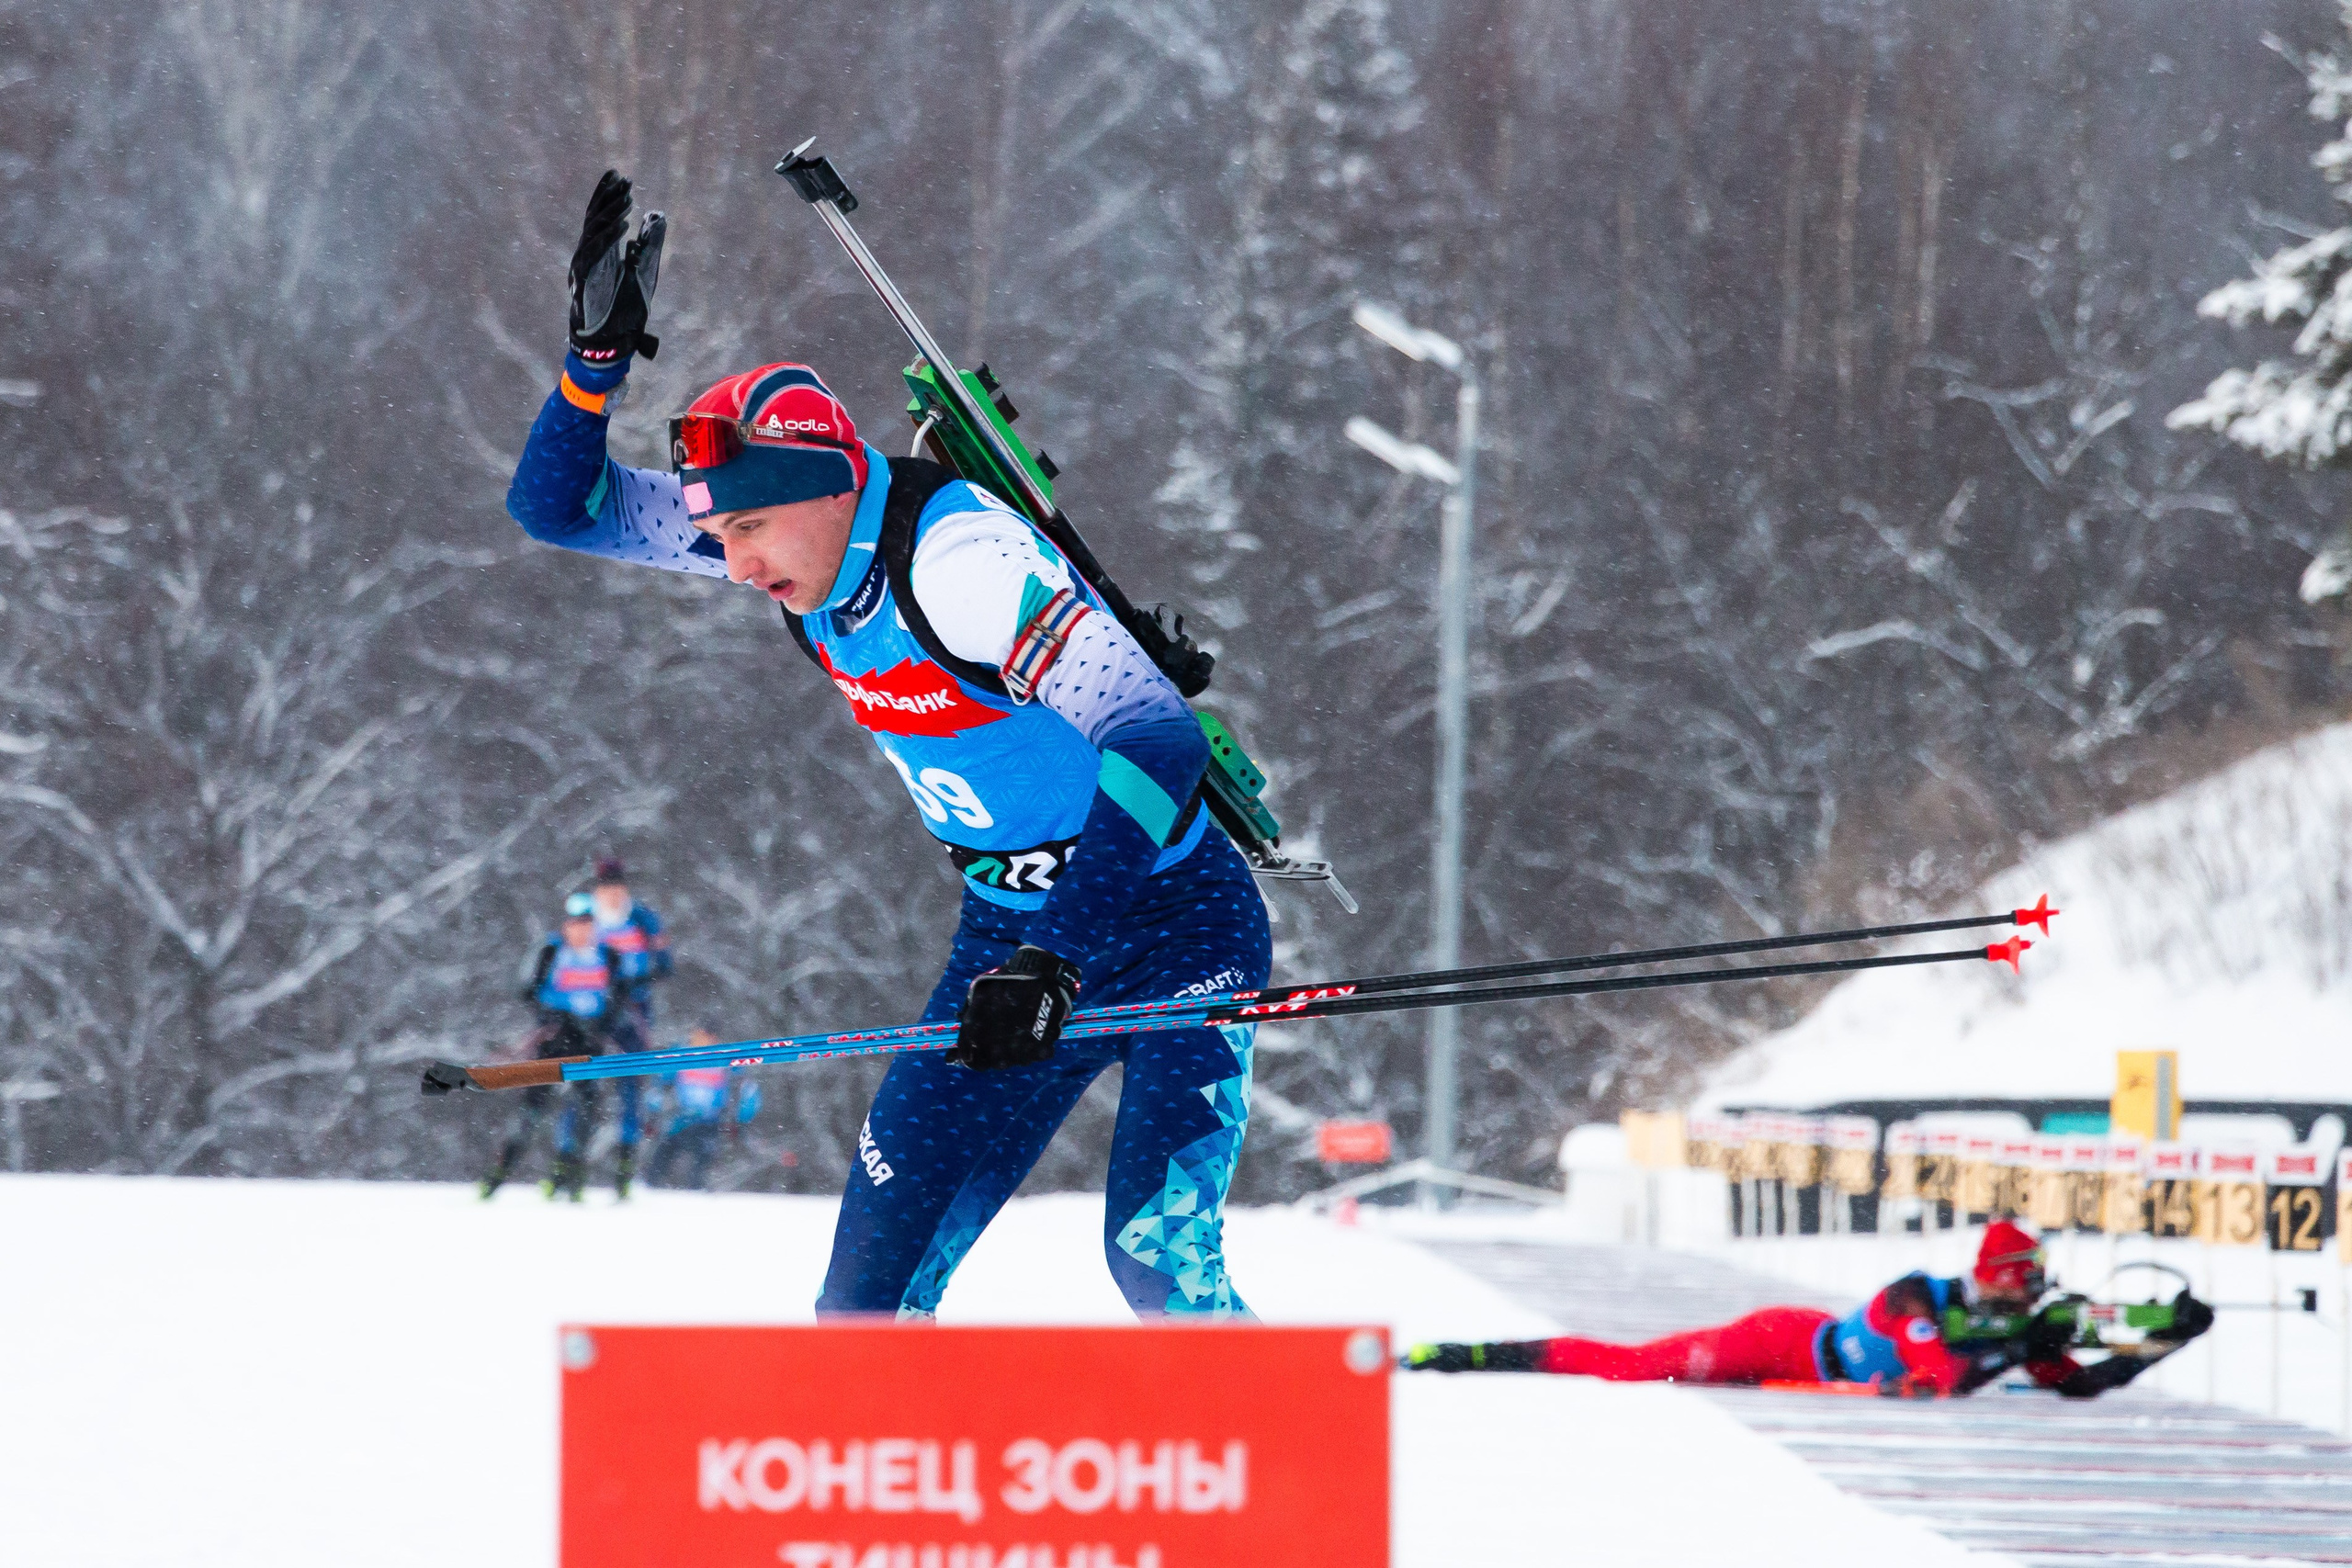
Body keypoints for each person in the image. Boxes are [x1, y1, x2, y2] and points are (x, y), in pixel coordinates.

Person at [502, 172, 1271, 1317]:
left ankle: (1310, 1465)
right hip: (1006, 937)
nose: (737, 567)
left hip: (1165, 923)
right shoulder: (789, 544)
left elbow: (1153, 739)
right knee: (860, 1308)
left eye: (749, 530)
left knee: (1158, 1268)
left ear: (825, 484)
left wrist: (1056, 958)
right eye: (717, 536)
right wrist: (592, 368)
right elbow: (555, 509)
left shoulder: (958, 562)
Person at [1403, 1221, 2215, 1398]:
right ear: (1998, 1276)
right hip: (1784, 1343)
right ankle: (1471, 1354)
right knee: (1631, 1366)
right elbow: (1942, 1374)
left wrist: (2162, 1341)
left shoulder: (2009, 1329)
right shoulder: (1918, 1297)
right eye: (2027, 1280)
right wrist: (2017, 1349)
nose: (2036, 1293)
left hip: (1807, 1373)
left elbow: (2078, 1383)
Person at [481, 892, 626, 1201]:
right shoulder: (550, 951)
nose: (581, 930)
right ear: (566, 925)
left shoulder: (608, 956)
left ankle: (571, 1178)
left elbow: (619, 997)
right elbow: (526, 989)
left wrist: (601, 1025)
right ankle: (497, 1176)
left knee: (587, 1110)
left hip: (589, 1043)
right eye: (576, 924)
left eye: (587, 924)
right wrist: (554, 1014)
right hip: (554, 1040)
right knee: (532, 1109)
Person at [588, 854, 672, 1196]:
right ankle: (569, 1162)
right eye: (606, 889)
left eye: (617, 888)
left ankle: (625, 1166)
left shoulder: (642, 917)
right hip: (592, 1012)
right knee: (583, 1084)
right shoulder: (586, 917)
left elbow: (665, 964)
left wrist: (637, 979)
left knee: (630, 1086)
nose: (612, 895)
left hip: (633, 1009)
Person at [646, 1025, 763, 1190]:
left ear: (715, 1038)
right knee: (661, 1158)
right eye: (698, 1035)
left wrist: (741, 1120)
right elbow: (659, 1084)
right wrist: (653, 1113)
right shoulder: (682, 1053)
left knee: (701, 1166)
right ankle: (649, 1191)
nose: (701, 1040)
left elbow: (748, 1090)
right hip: (682, 1119)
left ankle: (698, 1195)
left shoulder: (725, 1057)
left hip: (709, 1122)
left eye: (707, 1036)